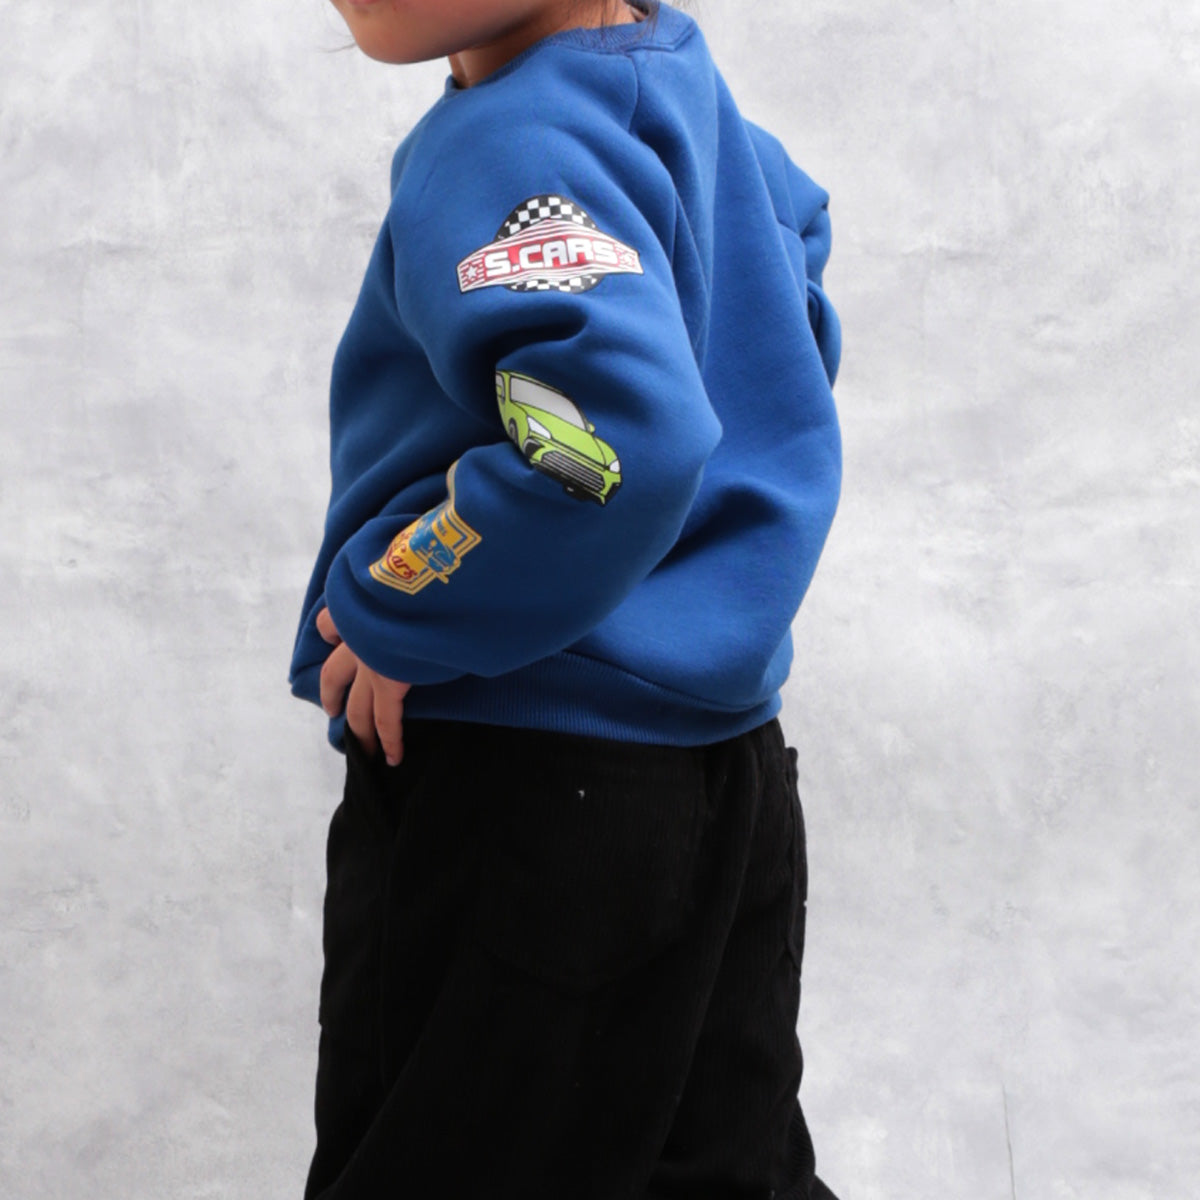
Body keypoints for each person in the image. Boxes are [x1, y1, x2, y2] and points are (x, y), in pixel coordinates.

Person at [287, 0, 844, 1195]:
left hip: (517, 781)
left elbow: (608, 446)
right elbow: (788, 235)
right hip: (723, 774)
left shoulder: (511, 143)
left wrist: (408, 601)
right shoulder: (677, 87)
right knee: (721, 1169)